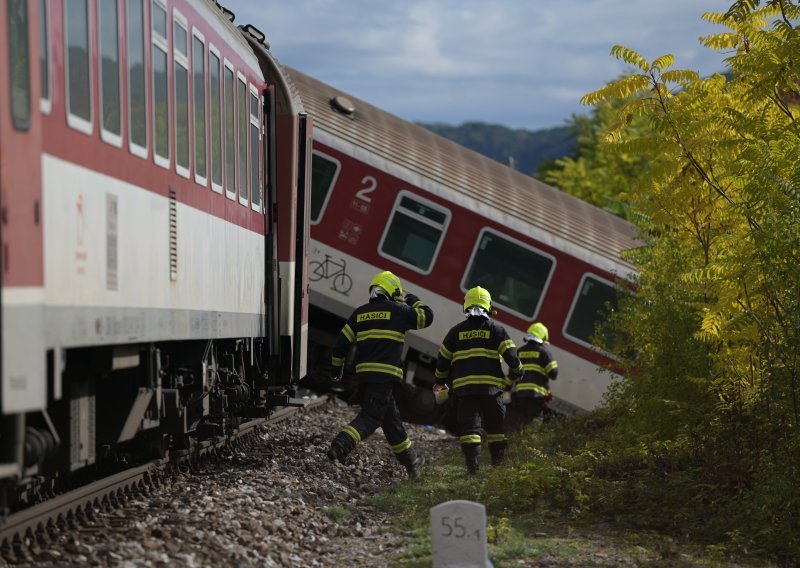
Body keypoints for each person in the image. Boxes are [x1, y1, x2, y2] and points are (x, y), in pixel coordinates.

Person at [326, 270, 434, 479]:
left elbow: (341, 344)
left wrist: (336, 370)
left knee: (390, 420)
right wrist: (412, 299)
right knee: (372, 416)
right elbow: (426, 317)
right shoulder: (400, 311)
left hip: (364, 377)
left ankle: (412, 461)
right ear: (393, 292)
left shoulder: (360, 313)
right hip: (384, 376)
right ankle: (340, 446)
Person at [433, 286, 523, 474]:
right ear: (488, 306)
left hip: (466, 391)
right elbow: (512, 357)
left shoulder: (455, 332)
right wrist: (519, 371)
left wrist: (440, 382)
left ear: (466, 306)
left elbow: (443, 361)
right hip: (492, 391)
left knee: (470, 429)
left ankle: (472, 469)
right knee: (496, 428)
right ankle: (497, 467)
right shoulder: (497, 330)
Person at [511, 322, 559, 429]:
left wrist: (506, 390)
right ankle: (529, 443)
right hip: (536, 396)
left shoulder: (519, 352)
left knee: (521, 420)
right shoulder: (544, 353)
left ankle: (518, 442)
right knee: (535, 421)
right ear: (542, 337)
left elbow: (511, 374)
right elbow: (554, 373)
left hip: (521, 395)